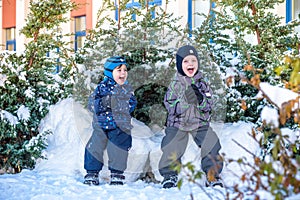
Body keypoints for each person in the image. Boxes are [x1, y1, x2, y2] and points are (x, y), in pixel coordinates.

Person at [159, 45, 224, 189]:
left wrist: (200, 99)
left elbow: (210, 104)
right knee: (171, 144)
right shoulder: (175, 85)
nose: (190, 64)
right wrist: (185, 102)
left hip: (199, 123)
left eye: (193, 61)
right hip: (178, 124)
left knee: (212, 144)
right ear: (180, 65)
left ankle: (212, 175)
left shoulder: (203, 84)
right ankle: (169, 175)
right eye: (186, 61)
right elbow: (170, 106)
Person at [83, 56, 137, 185]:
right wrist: (103, 102)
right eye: (119, 70)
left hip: (120, 125)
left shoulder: (127, 88)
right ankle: (92, 172)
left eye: (125, 70)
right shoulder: (102, 88)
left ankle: (117, 173)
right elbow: (91, 104)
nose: (123, 73)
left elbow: (132, 103)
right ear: (109, 73)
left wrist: (122, 106)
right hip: (101, 124)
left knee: (119, 147)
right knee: (94, 146)